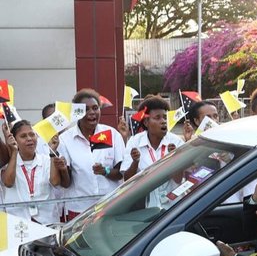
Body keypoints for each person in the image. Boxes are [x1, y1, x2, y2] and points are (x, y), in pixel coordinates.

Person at [58, 88, 125, 220]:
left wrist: (105, 171)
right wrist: (62, 169)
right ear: (77, 112)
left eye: (95, 108)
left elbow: (120, 174)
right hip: (79, 210)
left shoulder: (112, 134)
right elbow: (66, 183)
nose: (92, 113)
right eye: (86, 109)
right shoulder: (65, 139)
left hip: (109, 206)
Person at [0, 119, 69, 224]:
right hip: (19, 224)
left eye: (32, 135)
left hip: (47, 221)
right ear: (14, 140)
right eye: (23, 136)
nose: (29, 139)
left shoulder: (46, 160)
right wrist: (14, 151)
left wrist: (52, 152)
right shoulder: (9, 164)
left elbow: (55, 182)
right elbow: (8, 183)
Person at [121, 97, 183, 181]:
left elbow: (179, 180)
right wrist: (135, 162)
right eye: (157, 118)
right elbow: (127, 179)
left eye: (165, 117)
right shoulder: (134, 142)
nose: (163, 121)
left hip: (170, 193)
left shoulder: (176, 142)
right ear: (146, 122)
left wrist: (173, 158)